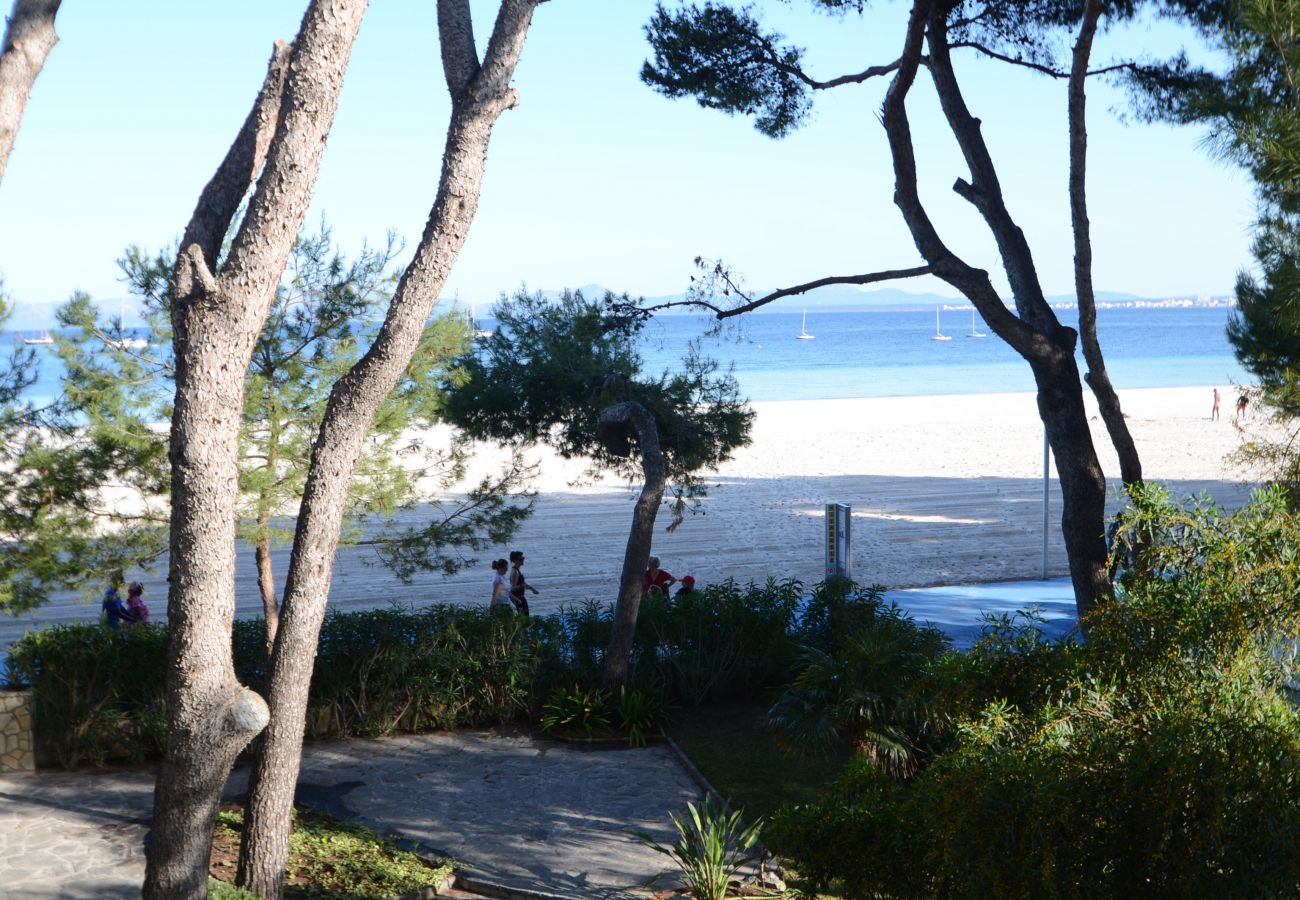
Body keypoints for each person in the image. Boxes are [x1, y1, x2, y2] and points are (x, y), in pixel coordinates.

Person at [508, 550, 538, 615]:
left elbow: (523, 583)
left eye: (523, 558)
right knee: (524, 616)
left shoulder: (517, 570)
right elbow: (513, 588)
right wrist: (522, 586)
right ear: (515, 561)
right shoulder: (515, 572)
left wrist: (532, 589)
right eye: (521, 559)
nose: (523, 560)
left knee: (524, 615)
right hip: (517, 597)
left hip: (520, 596)